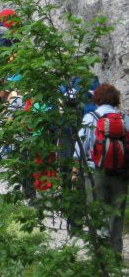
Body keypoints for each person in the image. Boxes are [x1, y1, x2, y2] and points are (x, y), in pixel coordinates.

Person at [76, 83, 128, 256]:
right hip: (120, 173)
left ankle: (100, 255)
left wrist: (75, 171)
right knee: (117, 213)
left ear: (97, 99)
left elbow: (80, 147)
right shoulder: (123, 118)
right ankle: (116, 254)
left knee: (97, 212)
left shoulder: (91, 117)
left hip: (95, 171)